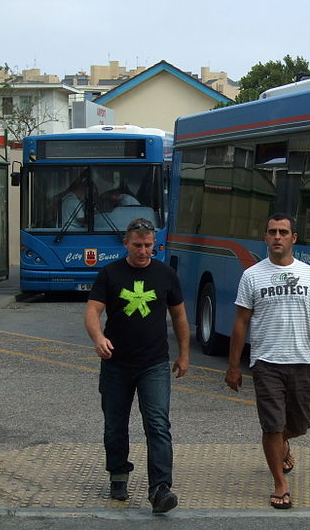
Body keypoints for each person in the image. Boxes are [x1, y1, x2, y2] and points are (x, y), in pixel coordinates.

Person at [225, 213, 310, 510]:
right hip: (266, 362)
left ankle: (283, 443)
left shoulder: (309, 274)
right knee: (272, 425)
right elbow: (240, 323)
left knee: (299, 423)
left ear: (293, 238)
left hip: (301, 361)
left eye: (283, 232)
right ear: (265, 237)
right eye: (272, 232)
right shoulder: (252, 275)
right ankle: (280, 483)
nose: (277, 237)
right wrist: (234, 366)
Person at [84, 218, 190, 513]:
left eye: (148, 246)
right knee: (115, 425)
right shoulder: (110, 273)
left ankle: (160, 488)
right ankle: (118, 474)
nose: (143, 251)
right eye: (137, 245)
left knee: (157, 424)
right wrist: (98, 337)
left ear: (154, 244)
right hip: (116, 363)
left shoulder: (165, 274)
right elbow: (93, 311)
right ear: (126, 244)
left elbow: (180, 316)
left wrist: (184, 354)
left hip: (154, 363)